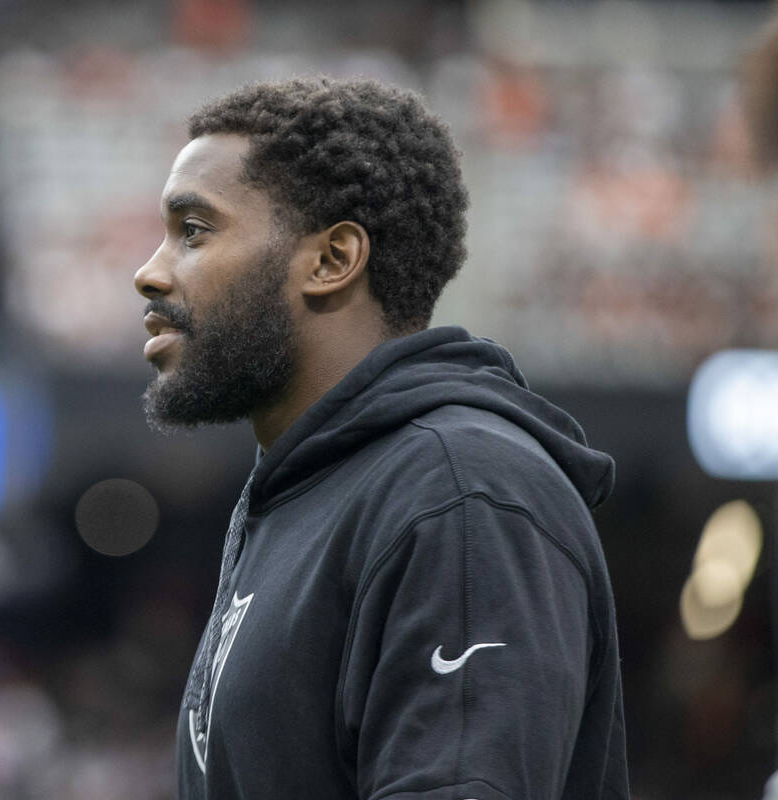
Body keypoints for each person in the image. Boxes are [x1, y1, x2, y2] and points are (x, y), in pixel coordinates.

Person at [132, 77, 629, 799]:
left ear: (332, 260)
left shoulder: (462, 495)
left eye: (195, 231)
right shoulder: (307, 491)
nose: (149, 272)